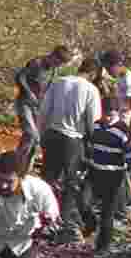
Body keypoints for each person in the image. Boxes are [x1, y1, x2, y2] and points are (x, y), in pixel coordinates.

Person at [38, 56, 102, 242]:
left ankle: (44, 221)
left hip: (51, 135)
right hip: (73, 140)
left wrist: (42, 136)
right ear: (93, 73)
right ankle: (66, 225)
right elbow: (92, 122)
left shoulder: (58, 82)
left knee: (47, 180)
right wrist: (92, 145)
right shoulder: (91, 89)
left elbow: (44, 111)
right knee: (71, 185)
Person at [79, 97, 131, 255]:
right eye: (105, 114)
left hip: (113, 177)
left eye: (110, 115)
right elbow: (88, 148)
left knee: (107, 213)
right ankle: (91, 223)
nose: (107, 118)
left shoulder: (124, 132)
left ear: (117, 114)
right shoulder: (96, 126)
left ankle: (102, 247)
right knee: (83, 203)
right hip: (93, 173)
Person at [15, 45, 73, 173]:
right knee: (32, 134)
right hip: (25, 104)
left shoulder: (54, 71)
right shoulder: (37, 63)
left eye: (61, 64)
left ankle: (25, 170)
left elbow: (50, 88)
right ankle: (17, 166)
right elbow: (20, 77)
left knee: (34, 142)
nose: (59, 65)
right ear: (53, 56)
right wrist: (29, 93)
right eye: (59, 62)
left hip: (39, 107)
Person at [101, 49, 131, 136]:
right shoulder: (120, 76)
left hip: (124, 125)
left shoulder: (129, 81)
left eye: (109, 69)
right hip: (116, 120)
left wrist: (130, 133)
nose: (108, 72)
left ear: (118, 65)